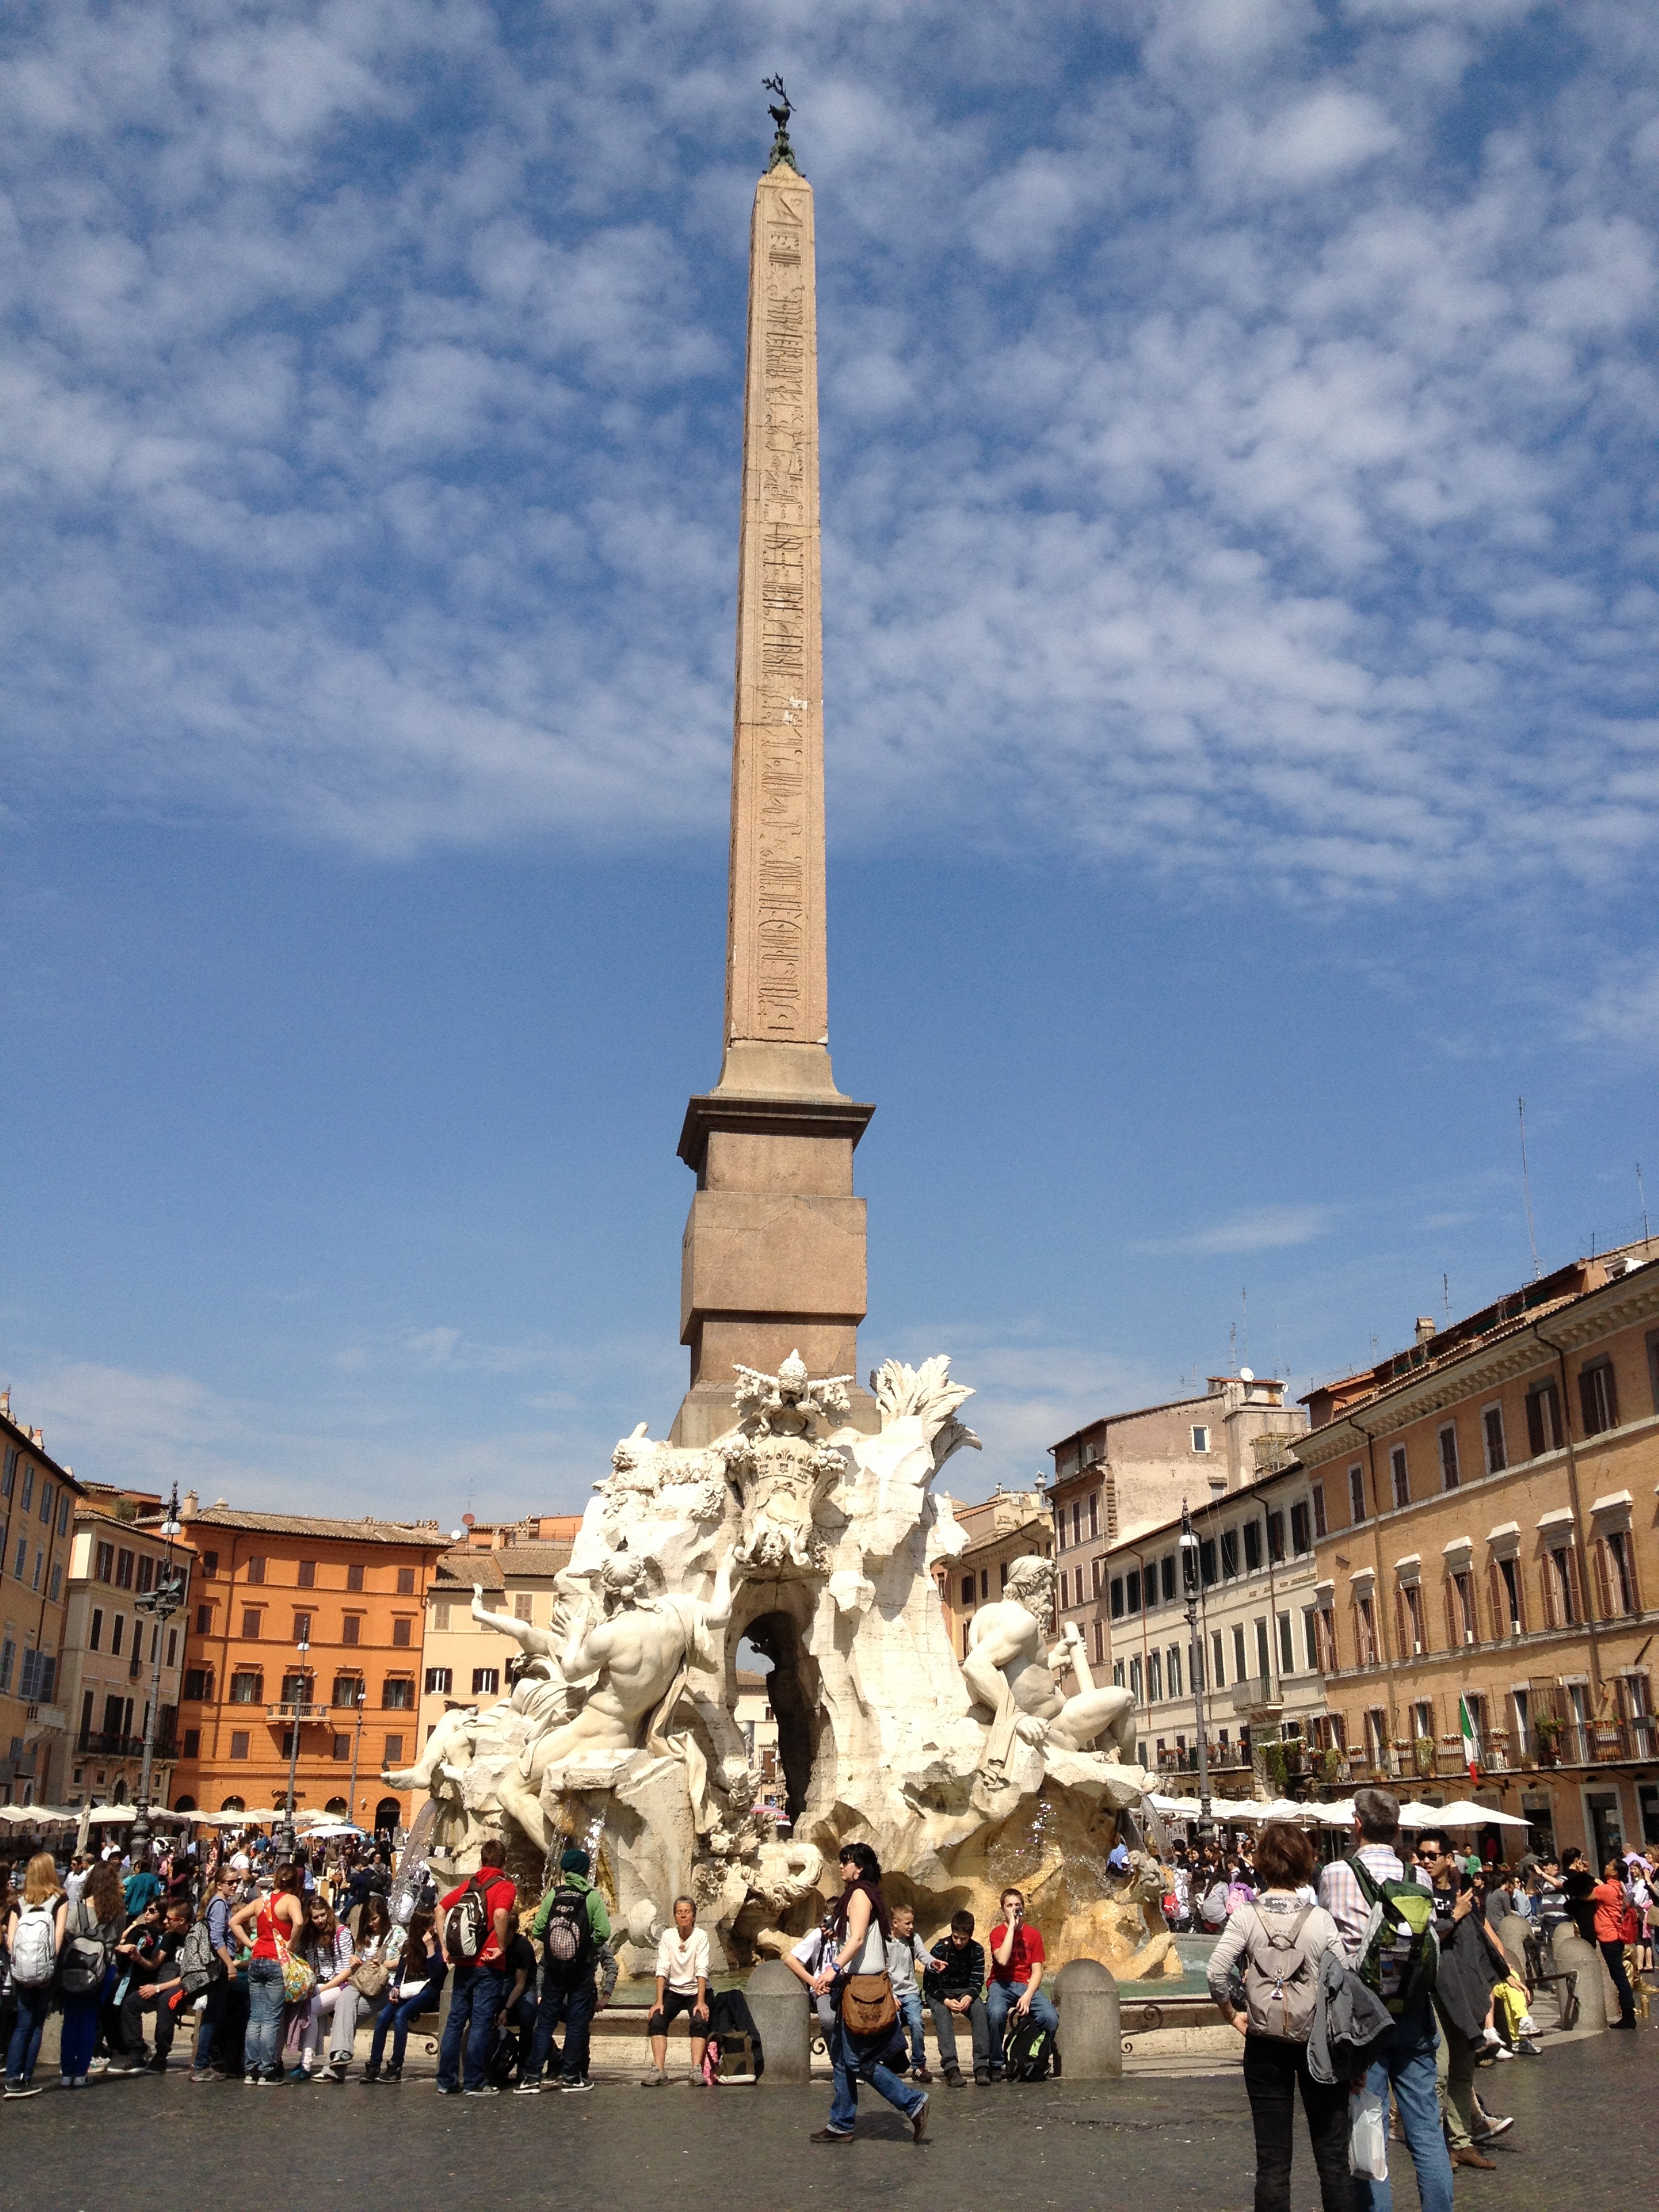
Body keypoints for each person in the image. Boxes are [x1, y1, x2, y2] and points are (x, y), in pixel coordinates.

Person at [1317, 1787, 1453, 2212]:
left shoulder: (1336, 1874)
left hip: (1363, 2016)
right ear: (1397, 1830)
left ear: (1357, 1824)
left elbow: (1329, 1946)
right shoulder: (1419, 1877)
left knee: (1368, 2128)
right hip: (1413, 2009)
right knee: (1426, 2131)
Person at [1207, 1820, 1351, 2212]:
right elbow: (1343, 1981)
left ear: (1262, 1862)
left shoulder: (1246, 1915)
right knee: (1333, 2159)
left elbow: (1216, 1971)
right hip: (1317, 2044)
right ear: (1305, 1861)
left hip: (1264, 2043)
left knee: (1272, 2161)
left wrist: (1231, 2014)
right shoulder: (1320, 1919)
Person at [807, 1841, 928, 2146]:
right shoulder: (862, 1894)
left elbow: (859, 1938)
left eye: (846, 1861)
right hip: (858, 1985)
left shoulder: (860, 1895)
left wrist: (833, 1968)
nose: (841, 1866)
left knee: (859, 2060)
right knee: (841, 2057)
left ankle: (912, 2102)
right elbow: (858, 1934)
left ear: (859, 1868)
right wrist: (837, 1933)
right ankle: (841, 2123)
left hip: (862, 1988)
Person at [519, 1843, 612, 2094]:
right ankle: (571, 2076)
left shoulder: (553, 1894)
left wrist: (553, 1946)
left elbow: (538, 1929)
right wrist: (587, 1946)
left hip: (553, 1969)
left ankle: (532, 2077)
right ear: (585, 1870)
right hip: (581, 1970)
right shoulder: (591, 1896)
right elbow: (604, 1931)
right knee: (576, 2023)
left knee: (545, 2022)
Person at [435, 1838, 516, 2096]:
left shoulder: (469, 1885)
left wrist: (444, 1946)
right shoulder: (505, 1886)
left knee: (455, 2021)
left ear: (481, 1860)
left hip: (463, 1963)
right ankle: (474, 2082)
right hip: (489, 1965)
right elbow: (501, 1914)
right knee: (481, 2022)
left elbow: (440, 1909)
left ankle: (446, 2080)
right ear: (504, 1861)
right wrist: (501, 1946)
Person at [230, 1861, 306, 2086]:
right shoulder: (291, 1900)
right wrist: (292, 1944)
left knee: (256, 2017)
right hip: (276, 1961)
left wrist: (250, 1944)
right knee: (271, 2019)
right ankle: (267, 2070)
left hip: (256, 1961)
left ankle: (251, 2069)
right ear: (295, 1882)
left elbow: (234, 1921)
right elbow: (299, 1922)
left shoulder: (260, 1901)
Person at [59, 1857, 126, 2090]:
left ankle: (67, 2072)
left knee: (71, 2020)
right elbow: (117, 1939)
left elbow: (67, 1933)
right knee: (90, 2019)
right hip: (103, 1969)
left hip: (75, 1966)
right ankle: (81, 2072)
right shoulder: (117, 1911)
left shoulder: (78, 1907)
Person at [4, 1851, 66, 2097]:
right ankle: (26, 2077)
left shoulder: (19, 1901)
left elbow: (11, 1942)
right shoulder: (60, 1899)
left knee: (22, 2024)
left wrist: (21, 1969)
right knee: (37, 2023)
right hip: (45, 1971)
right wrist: (47, 1970)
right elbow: (57, 1940)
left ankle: (12, 2077)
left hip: (21, 1971)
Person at [363, 1909, 445, 2084]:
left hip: (430, 1990)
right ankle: (374, 2065)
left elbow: (439, 1977)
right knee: (383, 2017)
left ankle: (396, 2066)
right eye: (431, 1925)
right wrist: (396, 1988)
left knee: (401, 2015)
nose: (435, 1928)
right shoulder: (408, 1946)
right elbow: (401, 1974)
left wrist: (430, 1950)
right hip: (409, 1989)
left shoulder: (438, 1945)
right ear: (422, 1928)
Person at [985, 1886, 1059, 2078]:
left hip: (1025, 1985)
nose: (1014, 1908)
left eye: (1017, 1905)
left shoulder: (1033, 1935)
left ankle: (1033, 2055)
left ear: (1023, 1908)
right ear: (1003, 1909)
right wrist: (1011, 1927)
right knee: (996, 2014)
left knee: (1050, 2018)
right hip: (1000, 1983)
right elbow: (1002, 1960)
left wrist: (1028, 1996)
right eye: (1009, 1905)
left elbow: (1037, 1971)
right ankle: (996, 2063)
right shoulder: (997, 1933)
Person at [117, 1898, 191, 2073]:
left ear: (181, 1921)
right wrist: (139, 1959)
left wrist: (157, 1988)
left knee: (167, 2001)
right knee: (131, 2003)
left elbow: (189, 1976)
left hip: (185, 1985)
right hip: (165, 1981)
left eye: (170, 1919)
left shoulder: (194, 1938)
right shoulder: (170, 1937)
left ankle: (161, 2055)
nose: (165, 1922)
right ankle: (136, 2053)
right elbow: (154, 1964)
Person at [643, 1894, 710, 2087]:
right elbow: (662, 1969)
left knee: (700, 2020)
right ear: (675, 1916)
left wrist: (701, 2002)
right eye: (679, 1912)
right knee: (657, 2019)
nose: (683, 1915)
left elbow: (702, 1969)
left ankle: (696, 2069)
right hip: (673, 1990)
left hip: (695, 1991)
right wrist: (658, 2001)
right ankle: (659, 2070)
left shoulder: (701, 1936)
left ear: (694, 1916)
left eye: (687, 1912)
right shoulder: (668, 1936)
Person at [295, 1896, 362, 2080]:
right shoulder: (312, 1936)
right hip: (320, 1982)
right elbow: (311, 1965)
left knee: (311, 2009)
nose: (320, 1920)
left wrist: (322, 1989)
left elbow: (347, 1970)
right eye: (315, 1917)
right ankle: (303, 2059)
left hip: (341, 1984)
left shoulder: (342, 1933)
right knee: (301, 2006)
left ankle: (305, 2063)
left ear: (329, 1912)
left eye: (323, 1915)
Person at [923, 1909, 989, 2086]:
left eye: (963, 1939)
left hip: (964, 1991)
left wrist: (969, 1996)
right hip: (940, 1992)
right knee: (942, 2014)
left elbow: (977, 1981)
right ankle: (951, 2068)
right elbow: (929, 1984)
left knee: (980, 2011)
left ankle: (982, 2066)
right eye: (956, 1937)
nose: (959, 1942)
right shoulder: (940, 1948)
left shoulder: (977, 1950)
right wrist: (945, 2000)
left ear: (970, 1936)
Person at [189, 1867, 243, 2083]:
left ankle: (206, 2060)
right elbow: (217, 1939)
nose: (235, 1885)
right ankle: (201, 2064)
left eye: (237, 1881)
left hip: (219, 1964)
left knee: (215, 2015)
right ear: (219, 1884)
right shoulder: (219, 1904)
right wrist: (230, 1965)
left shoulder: (219, 1903)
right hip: (219, 1965)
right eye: (230, 1882)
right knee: (212, 2016)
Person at [884, 1902, 933, 2080]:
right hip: (891, 1993)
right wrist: (890, 1995)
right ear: (895, 1923)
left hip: (910, 1992)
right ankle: (893, 2062)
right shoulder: (883, 1942)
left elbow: (923, 1955)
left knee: (917, 2022)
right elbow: (881, 1971)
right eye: (907, 1923)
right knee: (893, 2023)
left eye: (912, 1922)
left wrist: (934, 1963)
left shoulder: (913, 1939)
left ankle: (919, 2065)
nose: (911, 1927)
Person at [1591, 1856, 1638, 2029]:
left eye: (1610, 1865)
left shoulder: (1606, 1889)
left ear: (1615, 1872)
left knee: (1619, 1976)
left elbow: (1585, 1896)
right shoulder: (1618, 1888)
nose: (1606, 1866)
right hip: (1616, 1935)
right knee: (1619, 1975)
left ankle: (1628, 2015)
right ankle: (1628, 2013)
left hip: (1608, 1936)